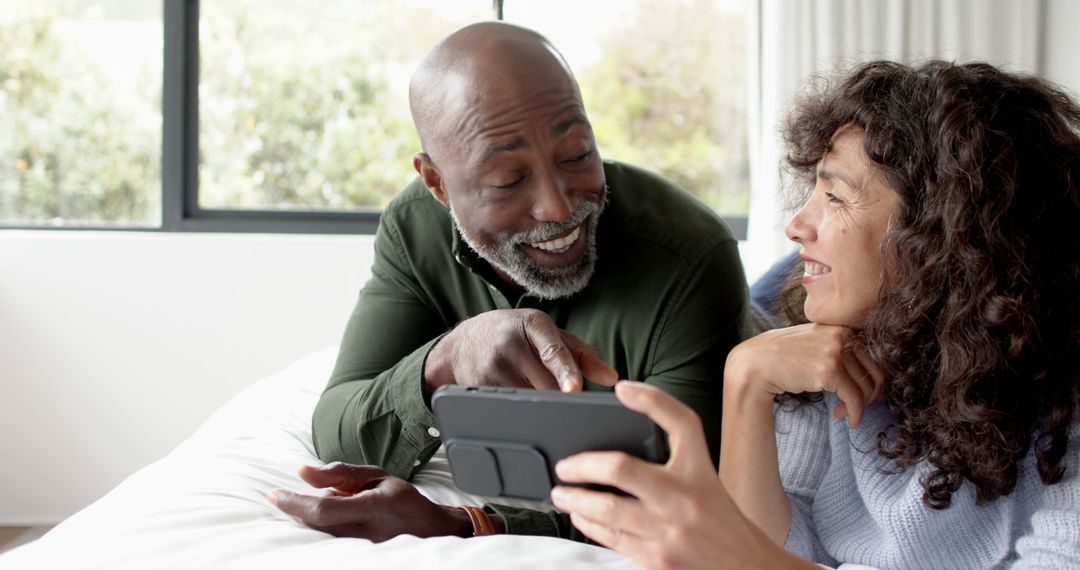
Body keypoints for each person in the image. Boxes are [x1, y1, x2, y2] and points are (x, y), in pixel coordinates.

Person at [550, 60, 1080, 569]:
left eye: (835, 197)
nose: (797, 226)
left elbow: (750, 562)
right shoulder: (821, 363)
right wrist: (746, 381)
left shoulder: (1061, 404)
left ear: (944, 235)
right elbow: (763, 556)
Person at [266, 21, 751, 541]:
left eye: (576, 155)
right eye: (508, 180)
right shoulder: (414, 229)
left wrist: (469, 522)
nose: (558, 207)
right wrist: (446, 360)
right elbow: (337, 431)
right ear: (436, 182)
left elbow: (682, 495)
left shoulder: (690, 258)